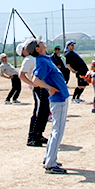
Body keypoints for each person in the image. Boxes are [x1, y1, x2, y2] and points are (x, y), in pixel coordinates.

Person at [31, 41, 70, 174]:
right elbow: (35, 81)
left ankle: (49, 158)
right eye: (40, 43)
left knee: (56, 130)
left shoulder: (45, 59)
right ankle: (50, 164)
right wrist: (50, 88)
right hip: (58, 99)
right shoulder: (42, 61)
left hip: (60, 97)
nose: (43, 43)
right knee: (57, 131)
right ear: (37, 49)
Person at [21, 39, 49, 147]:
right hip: (38, 89)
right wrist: (33, 84)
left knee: (45, 112)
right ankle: (32, 137)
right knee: (38, 112)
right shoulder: (29, 59)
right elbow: (22, 74)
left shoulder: (39, 58)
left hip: (44, 88)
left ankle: (39, 134)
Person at [64, 40, 90, 105]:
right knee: (80, 85)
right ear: (68, 46)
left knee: (83, 85)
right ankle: (74, 98)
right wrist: (72, 70)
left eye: (73, 45)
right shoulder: (68, 54)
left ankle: (78, 97)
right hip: (80, 71)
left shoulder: (72, 53)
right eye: (71, 45)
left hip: (83, 71)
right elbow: (68, 64)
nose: (73, 46)